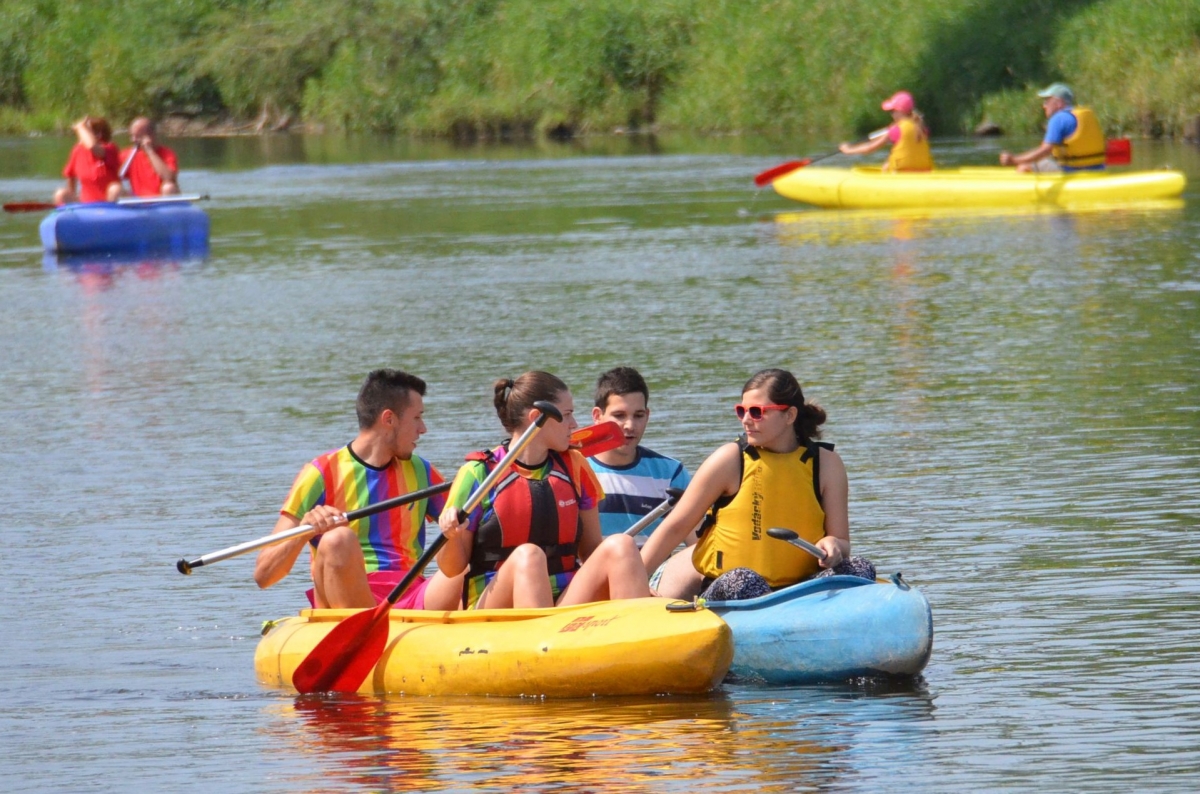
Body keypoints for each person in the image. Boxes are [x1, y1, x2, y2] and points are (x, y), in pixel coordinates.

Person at [641, 368, 872, 601]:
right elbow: (675, 527)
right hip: (735, 588)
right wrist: (635, 582)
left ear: (790, 415)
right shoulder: (729, 460)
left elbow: (842, 541)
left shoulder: (827, 464)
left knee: (860, 567)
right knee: (745, 580)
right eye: (741, 411)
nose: (746, 420)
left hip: (801, 589)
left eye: (757, 412)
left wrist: (834, 545)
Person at [436, 371, 652, 609]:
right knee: (529, 556)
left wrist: (629, 576)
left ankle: (635, 628)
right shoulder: (478, 473)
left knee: (621, 544)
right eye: (567, 415)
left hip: (563, 601)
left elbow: (590, 551)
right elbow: (451, 568)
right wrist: (451, 536)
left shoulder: (575, 466)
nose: (575, 424)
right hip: (495, 607)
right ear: (537, 417)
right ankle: (540, 640)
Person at [254, 369, 462, 611]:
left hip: (411, 593)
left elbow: (469, 527)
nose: (423, 428)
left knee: (466, 554)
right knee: (337, 539)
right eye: (417, 418)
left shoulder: (422, 472)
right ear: (389, 419)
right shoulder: (320, 473)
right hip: (348, 592)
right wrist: (304, 531)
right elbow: (263, 575)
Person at [588, 367, 691, 543]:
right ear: (598, 416)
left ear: (647, 416)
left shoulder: (671, 472)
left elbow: (697, 545)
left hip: (654, 569)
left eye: (638, 415)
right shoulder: (575, 468)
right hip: (594, 569)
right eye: (619, 415)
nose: (630, 425)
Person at [999, 83, 1106, 173]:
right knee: (1042, 161)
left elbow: (1045, 150)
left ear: (1059, 103)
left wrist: (1015, 160)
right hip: (1098, 170)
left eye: (1047, 101)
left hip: (1072, 170)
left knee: (1024, 166)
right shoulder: (1084, 115)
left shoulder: (1058, 118)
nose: (1044, 105)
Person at [839, 91, 933, 172]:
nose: (891, 115)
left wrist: (848, 150)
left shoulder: (896, 130)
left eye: (892, 111)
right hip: (924, 172)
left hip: (902, 174)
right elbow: (909, 145)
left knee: (888, 165)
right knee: (887, 164)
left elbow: (869, 148)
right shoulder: (921, 127)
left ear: (900, 112)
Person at [54, 116, 121, 205]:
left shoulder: (110, 148)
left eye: (84, 132)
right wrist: (71, 197)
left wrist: (80, 127)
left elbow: (93, 147)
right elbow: (70, 175)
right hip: (87, 204)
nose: (80, 135)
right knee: (61, 193)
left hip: (109, 202)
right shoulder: (77, 150)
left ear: (99, 134)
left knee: (115, 188)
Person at [120, 117, 180, 196]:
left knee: (168, 187)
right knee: (116, 189)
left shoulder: (167, 153)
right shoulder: (127, 154)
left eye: (138, 136)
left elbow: (169, 178)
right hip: (138, 199)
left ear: (151, 136)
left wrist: (150, 151)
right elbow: (115, 176)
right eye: (132, 136)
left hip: (161, 200)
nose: (133, 140)